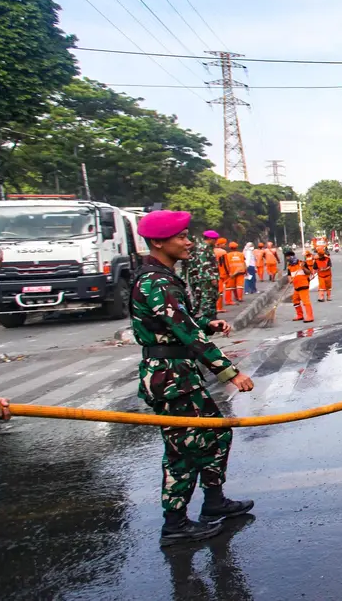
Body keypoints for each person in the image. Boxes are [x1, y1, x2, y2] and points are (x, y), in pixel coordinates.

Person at [130, 210, 255, 546]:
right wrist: (230, 373)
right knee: (182, 451)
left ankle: (214, 502)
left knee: (216, 433)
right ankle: (175, 524)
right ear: (159, 242)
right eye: (182, 237)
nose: (189, 243)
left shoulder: (164, 277)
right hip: (169, 378)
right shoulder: (156, 281)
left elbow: (178, 324)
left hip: (181, 374)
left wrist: (206, 323)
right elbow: (186, 334)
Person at [183, 230, 219, 322]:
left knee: (201, 298)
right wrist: (212, 277)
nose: (216, 241)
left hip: (201, 277)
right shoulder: (203, 248)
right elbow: (204, 264)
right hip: (205, 278)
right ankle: (208, 318)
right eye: (215, 239)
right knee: (208, 298)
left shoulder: (204, 247)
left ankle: (204, 317)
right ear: (210, 239)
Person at [285, 249, 314, 322]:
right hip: (296, 286)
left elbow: (308, 272)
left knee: (305, 301)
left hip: (303, 285)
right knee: (295, 300)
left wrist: (303, 267)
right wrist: (290, 280)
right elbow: (289, 274)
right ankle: (300, 315)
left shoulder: (302, 263)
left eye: (288, 257)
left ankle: (310, 317)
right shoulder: (289, 266)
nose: (287, 259)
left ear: (292, 256)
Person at [214, 237, 231, 310]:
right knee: (220, 291)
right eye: (224, 244)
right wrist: (229, 273)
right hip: (221, 274)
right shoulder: (222, 252)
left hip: (212, 274)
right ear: (220, 244)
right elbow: (225, 264)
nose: (225, 245)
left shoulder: (211, 251)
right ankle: (219, 307)